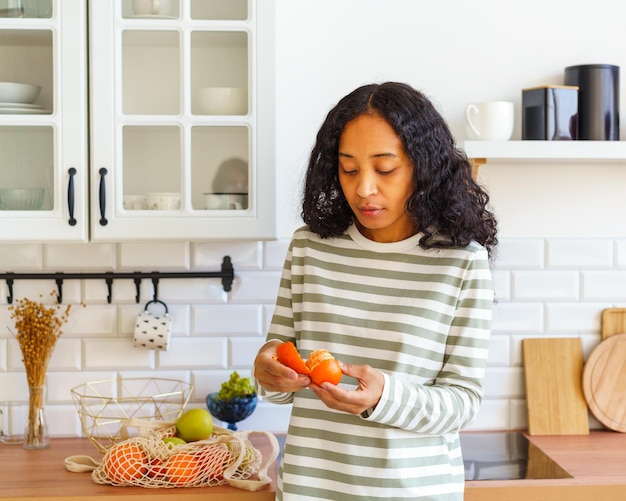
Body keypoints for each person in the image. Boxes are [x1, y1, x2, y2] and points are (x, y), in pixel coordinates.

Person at [253, 81, 497, 500]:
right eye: (349, 169)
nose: (364, 188)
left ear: (424, 167)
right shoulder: (310, 248)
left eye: (384, 169)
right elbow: (278, 363)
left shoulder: (460, 262)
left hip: (414, 491)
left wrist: (385, 396)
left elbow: (462, 403)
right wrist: (266, 369)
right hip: (312, 489)